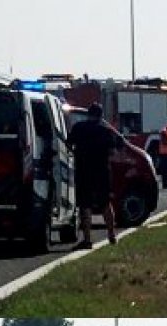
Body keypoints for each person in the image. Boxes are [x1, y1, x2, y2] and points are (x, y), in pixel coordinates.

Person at [66, 102, 124, 249]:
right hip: (102, 171)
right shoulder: (106, 131)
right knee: (105, 203)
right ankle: (111, 235)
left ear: (88, 114)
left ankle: (87, 240)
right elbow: (115, 150)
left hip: (84, 170)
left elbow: (68, 145)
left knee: (85, 205)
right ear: (100, 115)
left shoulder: (79, 128)